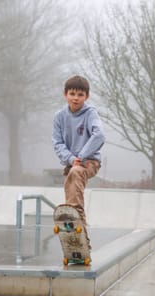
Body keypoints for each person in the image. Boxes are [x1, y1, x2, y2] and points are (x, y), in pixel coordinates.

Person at [52, 75, 105, 227]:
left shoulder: (90, 114)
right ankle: (79, 228)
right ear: (65, 94)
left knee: (75, 172)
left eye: (80, 95)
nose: (76, 98)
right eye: (72, 94)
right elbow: (57, 142)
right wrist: (70, 159)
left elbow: (99, 135)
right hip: (71, 162)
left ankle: (77, 219)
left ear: (86, 96)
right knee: (71, 184)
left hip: (90, 161)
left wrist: (81, 157)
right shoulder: (59, 117)